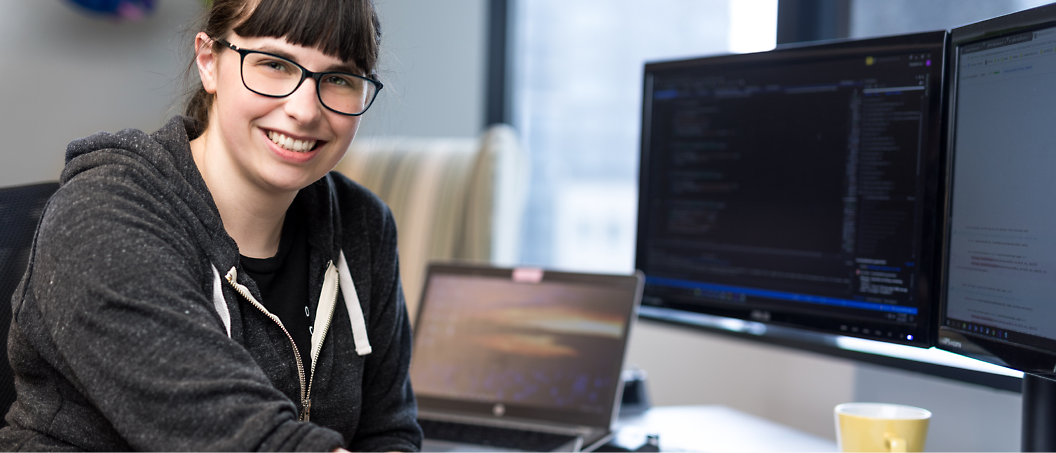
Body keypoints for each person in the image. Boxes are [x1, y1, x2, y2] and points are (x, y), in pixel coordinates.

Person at [0, 0, 422, 451]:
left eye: (338, 79)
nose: (304, 110)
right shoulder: (101, 212)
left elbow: (387, 431)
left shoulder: (364, 225)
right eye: (275, 64)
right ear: (208, 63)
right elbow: (233, 435)